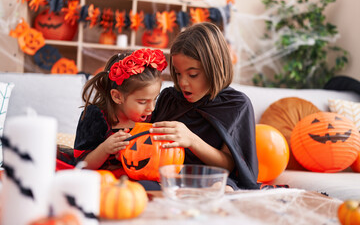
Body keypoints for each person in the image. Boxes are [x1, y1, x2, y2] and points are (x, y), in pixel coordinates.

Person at [150, 22, 260, 190]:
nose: (182, 82)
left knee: (223, 190)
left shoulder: (235, 105)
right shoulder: (169, 98)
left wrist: (191, 140)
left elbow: (229, 165)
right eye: (178, 73)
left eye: (193, 74)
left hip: (211, 177)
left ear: (214, 68)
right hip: (167, 175)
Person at [73, 48, 167, 178]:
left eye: (155, 99)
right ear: (117, 97)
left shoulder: (149, 118)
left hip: (136, 179)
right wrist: (105, 149)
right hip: (102, 179)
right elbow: (82, 165)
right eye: (142, 101)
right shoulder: (95, 117)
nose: (151, 108)